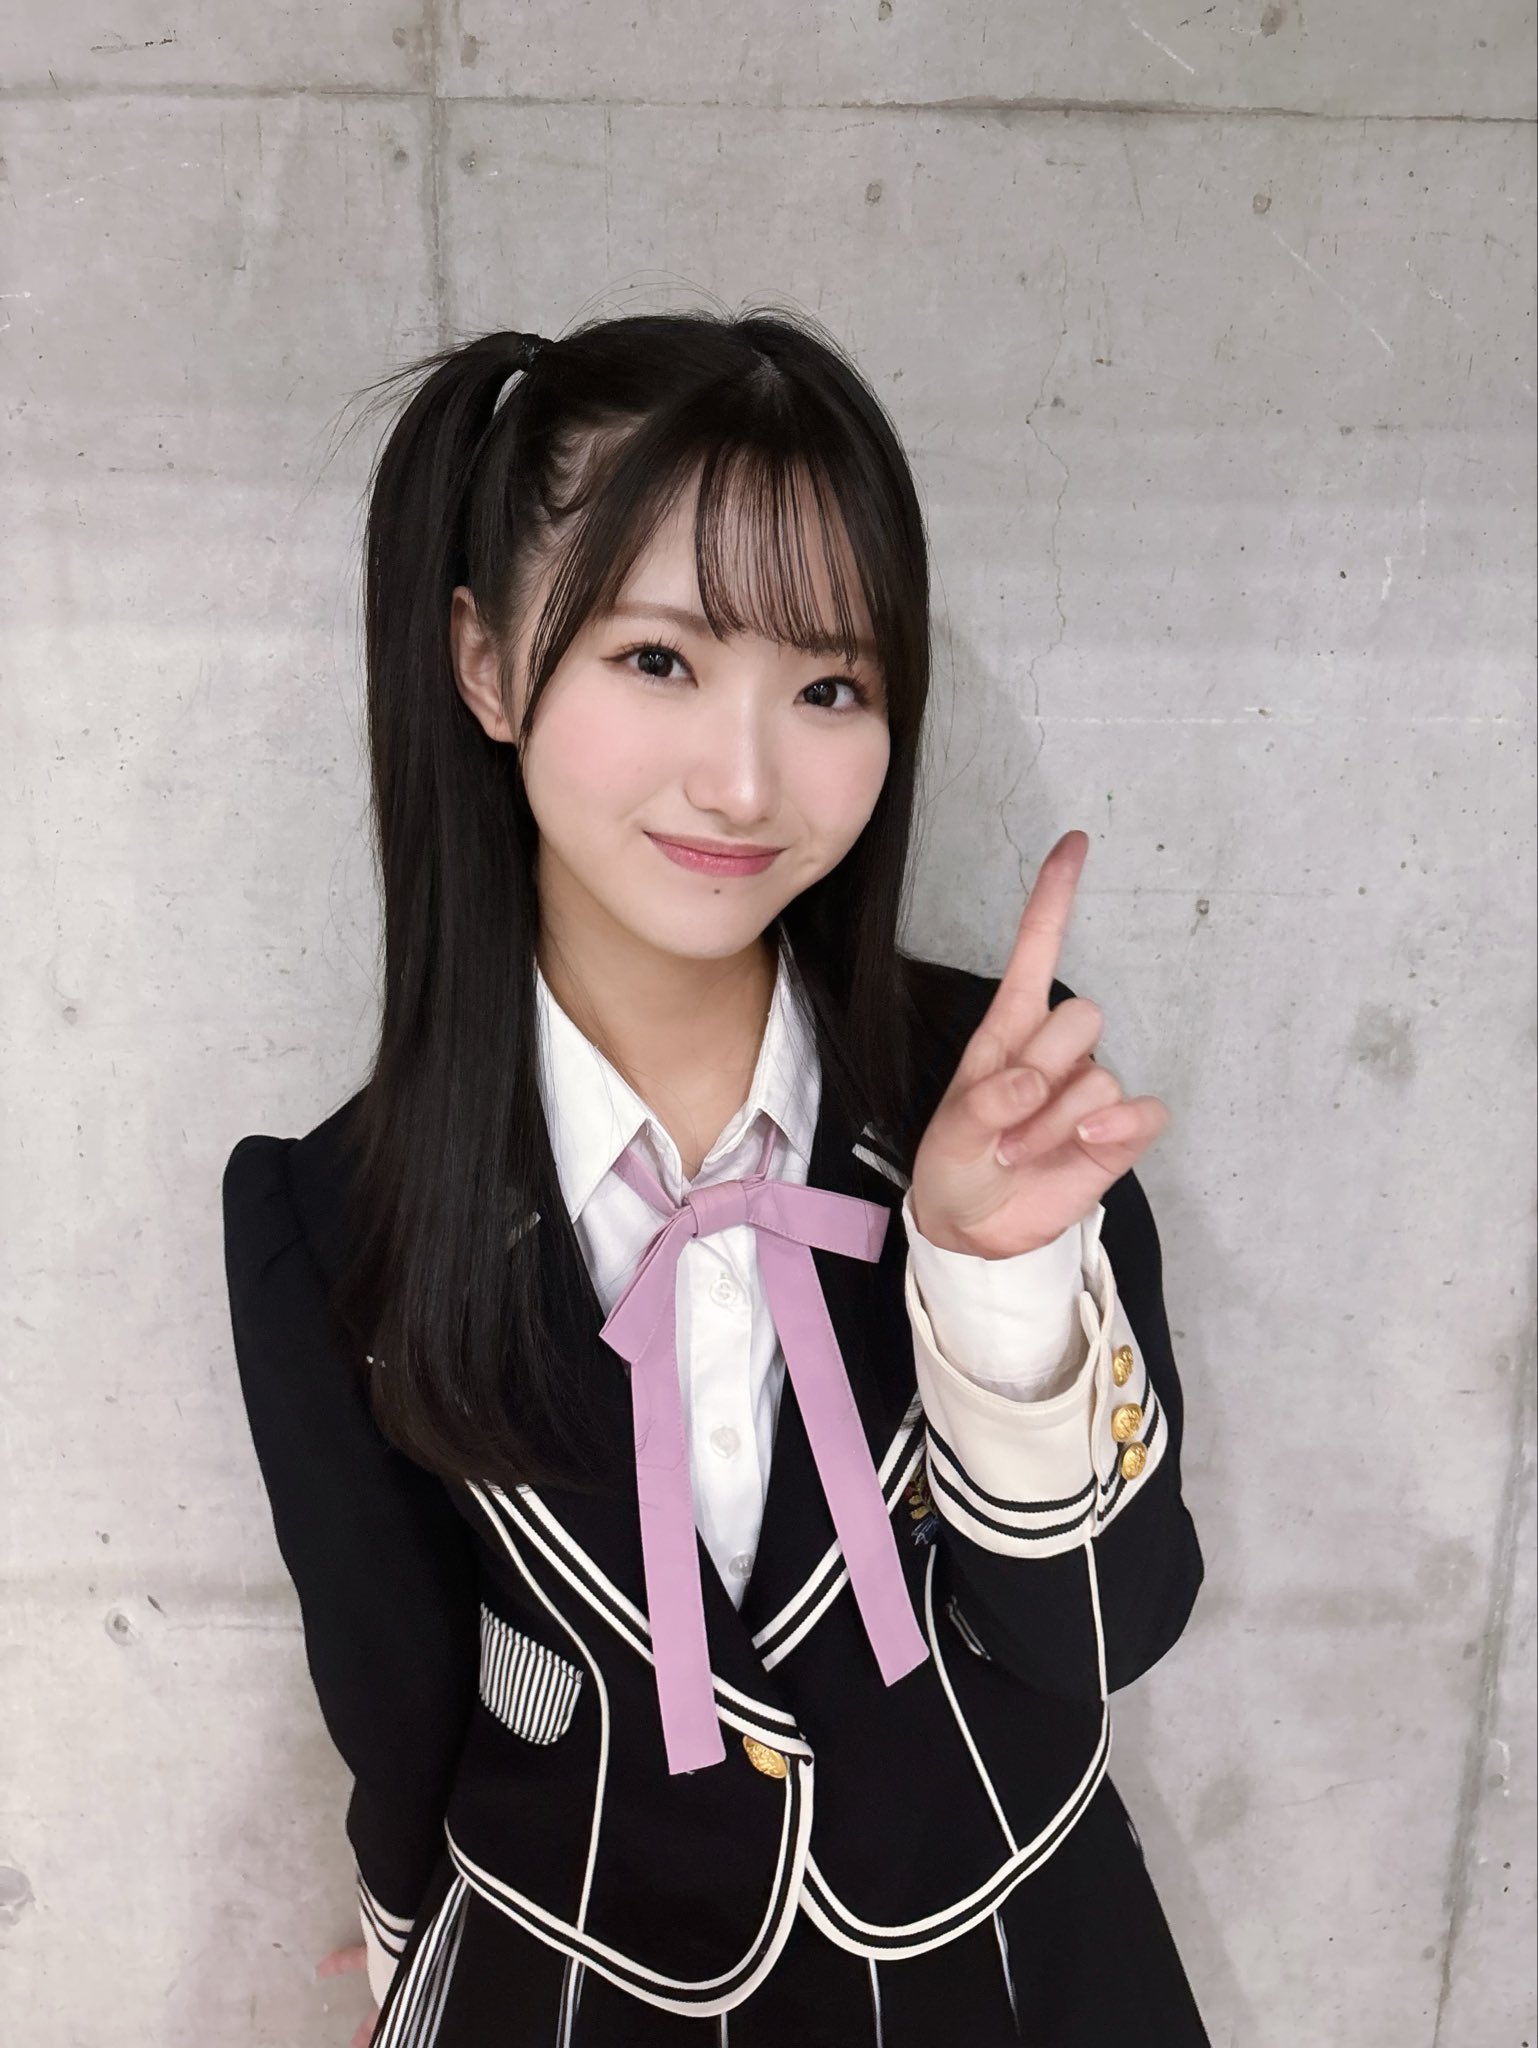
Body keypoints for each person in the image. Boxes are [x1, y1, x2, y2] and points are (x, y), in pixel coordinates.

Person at [220, 310, 1210, 2046]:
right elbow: (395, 1692)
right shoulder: (335, 1215)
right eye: (658, 659)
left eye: (828, 688)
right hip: (562, 1981)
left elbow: (1099, 1631)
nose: (744, 781)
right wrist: (400, 1948)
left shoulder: (1001, 1102)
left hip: (1006, 1971)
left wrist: (988, 1279)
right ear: (486, 663)